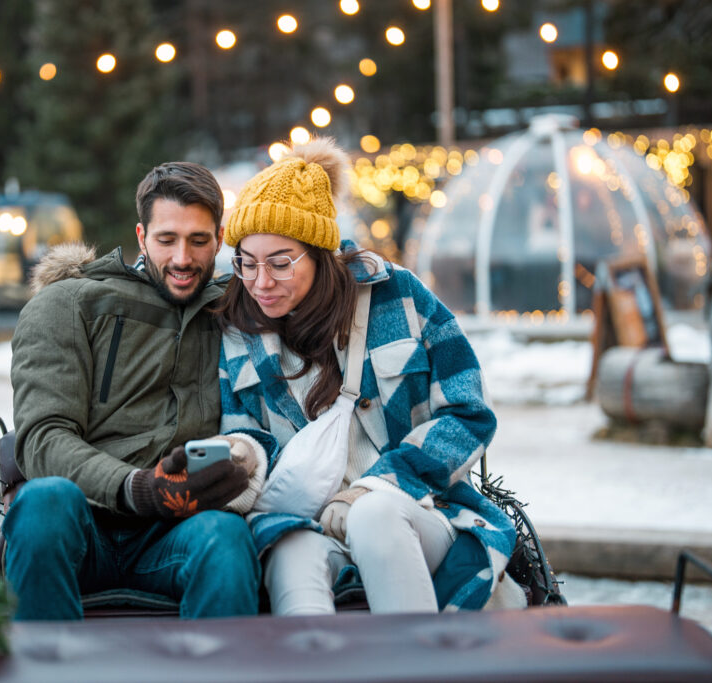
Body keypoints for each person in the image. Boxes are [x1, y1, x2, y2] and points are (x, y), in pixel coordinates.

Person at [216, 138, 523, 615]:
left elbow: (468, 412)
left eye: (280, 263)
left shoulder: (397, 296)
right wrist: (243, 456)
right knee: (289, 550)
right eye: (247, 263)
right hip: (308, 524)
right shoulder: (240, 327)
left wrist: (375, 486)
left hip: (418, 512)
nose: (260, 282)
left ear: (320, 253)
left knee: (374, 515)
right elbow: (244, 430)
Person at [3, 161, 261, 620]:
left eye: (198, 241)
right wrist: (136, 487)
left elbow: (305, 276)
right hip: (81, 523)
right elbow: (42, 438)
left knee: (226, 537)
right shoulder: (69, 303)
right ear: (142, 237)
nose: (182, 258)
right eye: (167, 240)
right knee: (42, 502)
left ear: (220, 240)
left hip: (175, 532)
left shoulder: (234, 307)